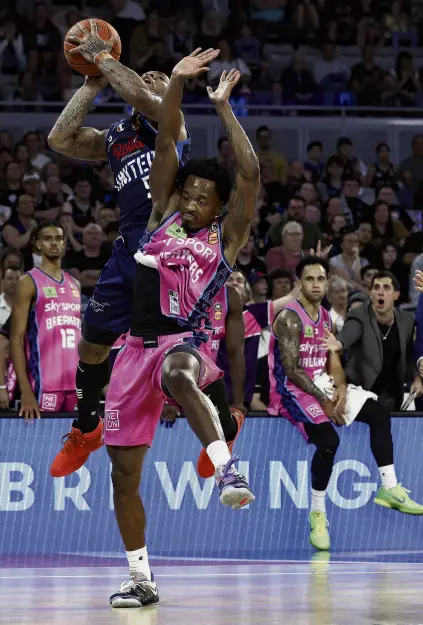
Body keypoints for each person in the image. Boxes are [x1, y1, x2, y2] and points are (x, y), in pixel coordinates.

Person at [105, 53, 259, 607]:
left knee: (179, 374)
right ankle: (141, 577)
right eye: (186, 195)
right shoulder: (159, 217)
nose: (191, 203)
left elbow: (250, 174)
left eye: (202, 199)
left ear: (218, 207)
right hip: (131, 352)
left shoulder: (225, 238)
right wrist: (175, 81)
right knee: (123, 474)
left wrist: (222, 109)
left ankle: (226, 470)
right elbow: (167, 140)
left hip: (182, 343)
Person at [47, 23, 192, 478]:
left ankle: (224, 424)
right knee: (92, 346)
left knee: (174, 353)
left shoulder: (169, 122)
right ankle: (86, 427)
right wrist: (91, 83)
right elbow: (60, 139)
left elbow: (150, 101)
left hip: (168, 243)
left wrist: (105, 59)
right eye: (143, 74)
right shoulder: (114, 137)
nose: (150, 78)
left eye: (159, 76)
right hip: (127, 245)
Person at [269, 258, 423, 553]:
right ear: (299, 283)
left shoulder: (326, 318)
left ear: (327, 283)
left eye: (321, 279)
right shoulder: (289, 318)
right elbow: (291, 370)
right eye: (310, 279)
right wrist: (326, 400)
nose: (316, 284)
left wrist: (339, 389)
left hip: (323, 384)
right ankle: (318, 513)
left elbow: (334, 362)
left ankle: (390, 487)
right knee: (328, 441)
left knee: (378, 414)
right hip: (293, 391)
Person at [321, 271, 422, 411]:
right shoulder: (359, 314)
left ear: (396, 295)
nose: (380, 292)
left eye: (386, 288)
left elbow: (411, 353)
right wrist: (338, 343)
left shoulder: (406, 320)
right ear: (370, 293)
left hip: (392, 393)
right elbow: (351, 331)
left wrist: (417, 379)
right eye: (376, 288)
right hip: (361, 393)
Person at [10, 222, 81, 417]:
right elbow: (16, 339)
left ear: (65, 243)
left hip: (75, 384)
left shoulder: (75, 283)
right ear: (37, 244)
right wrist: (25, 391)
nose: (54, 243)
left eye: (58, 238)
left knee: (74, 444)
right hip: (45, 383)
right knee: (42, 443)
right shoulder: (28, 282)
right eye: (47, 239)